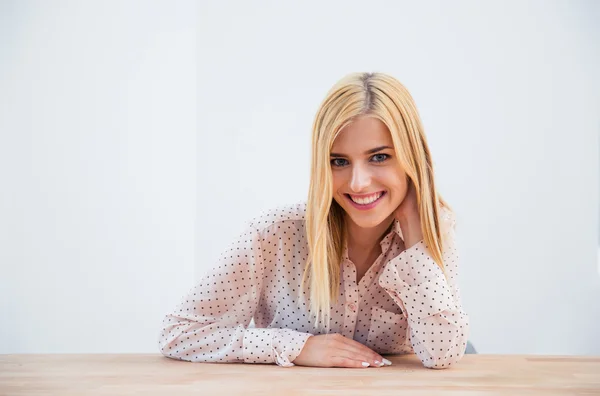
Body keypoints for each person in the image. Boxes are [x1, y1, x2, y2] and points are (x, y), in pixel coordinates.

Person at [158, 72, 469, 369]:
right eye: (339, 161)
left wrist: (415, 229)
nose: (358, 183)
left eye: (379, 157)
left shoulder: (434, 231)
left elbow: (442, 354)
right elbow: (180, 333)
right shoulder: (275, 234)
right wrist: (299, 346)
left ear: (411, 157)